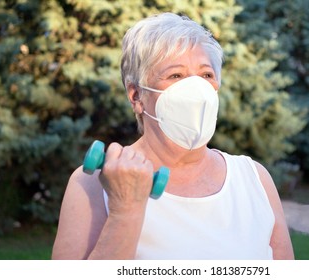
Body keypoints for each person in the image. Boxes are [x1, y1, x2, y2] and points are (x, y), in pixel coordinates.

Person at [52, 12, 294, 260]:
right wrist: (125, 210)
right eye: (175, 75)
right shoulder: (94, 182)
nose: (196, 89)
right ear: (136, 96)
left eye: (206, 75)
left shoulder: (254, 179)